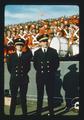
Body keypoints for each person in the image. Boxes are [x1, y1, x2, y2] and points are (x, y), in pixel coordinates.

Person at [33, 34, 60, 116]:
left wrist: (50, 72)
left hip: (50, 76)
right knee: (40, 95)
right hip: (40, 77)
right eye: (43, 41)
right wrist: (42, 71)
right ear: (40, 43)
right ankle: (38, 112)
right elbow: (35, 65)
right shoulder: (37, 52)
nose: (45, 42)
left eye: (46, 41)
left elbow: (56, 64)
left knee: (50, 95)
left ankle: (51, 112)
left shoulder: (53, 51)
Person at [6, 38, 32, 118]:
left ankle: (25, 115)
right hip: (14, 80)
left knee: (23, 99)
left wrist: (22, 74)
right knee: (13, 99)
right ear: (15, 46)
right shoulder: (11, 56)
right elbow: (10, 68)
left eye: (21, 45)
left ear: (23, 46)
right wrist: (15, 74)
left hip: (24, 80)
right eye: (18, 45)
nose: (19, 47)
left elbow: (28, 68)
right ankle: (11, 115)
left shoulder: (26, 56)